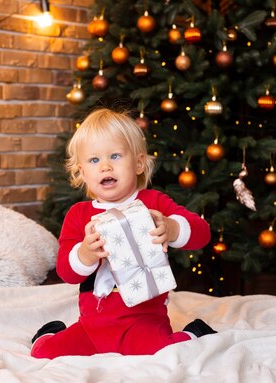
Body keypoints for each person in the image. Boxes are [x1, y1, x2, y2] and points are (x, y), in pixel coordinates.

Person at [31, 108, 215, 359]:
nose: (105, 166)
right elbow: (66, 271)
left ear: (139, 163)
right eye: (94, 161)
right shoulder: (79, 214)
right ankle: (49, 332)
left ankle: (196, 332)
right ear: (83, 172)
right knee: (44, 353)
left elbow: (202, 233)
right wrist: (85, 253)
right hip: (93, 325)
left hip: (143, 321)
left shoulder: (153, 202)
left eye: (115, 156)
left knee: (167, 354)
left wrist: (172, 228)